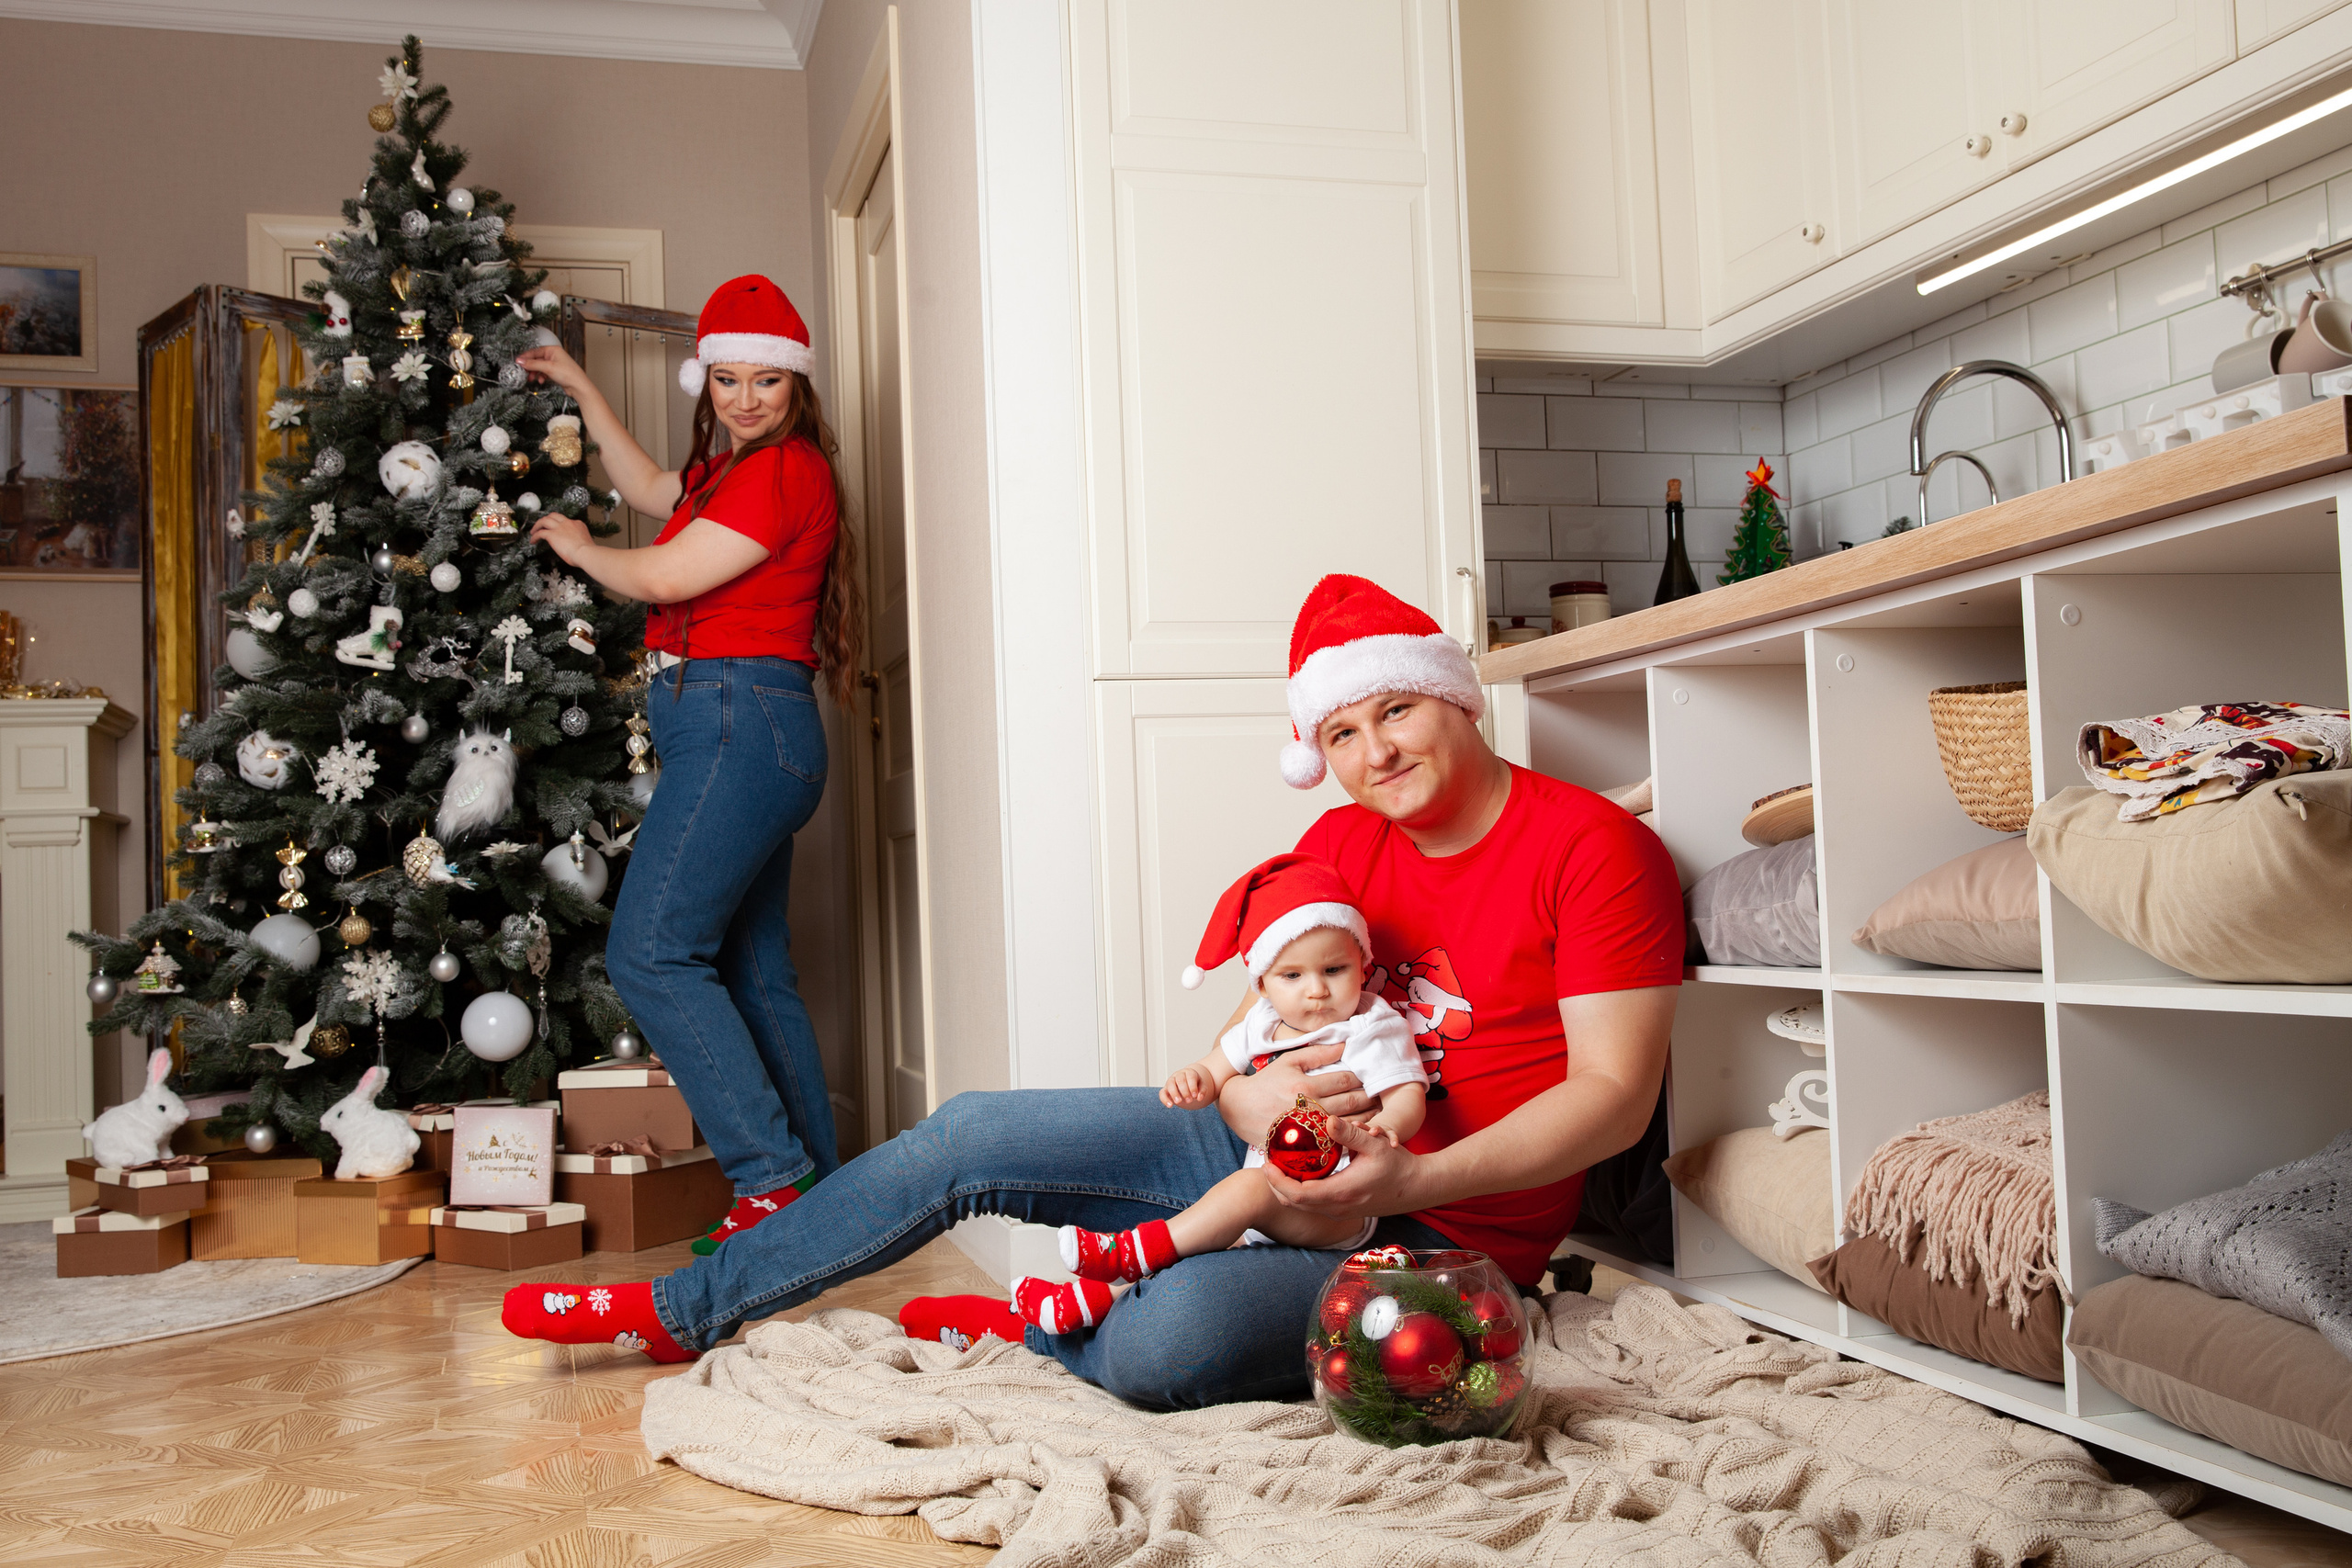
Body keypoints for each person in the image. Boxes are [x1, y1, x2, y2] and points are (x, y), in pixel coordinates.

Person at [501, 573, 1681, 1398]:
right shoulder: (1350, 840)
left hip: (1435, 1225)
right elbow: (1260, 1006)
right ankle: (680, 1313)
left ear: (1457, 697)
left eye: (1397, 711)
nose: (1374, 753)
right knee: (968, 1132)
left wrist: (1414, 1168)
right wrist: (1240, 1100)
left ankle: (1035, 1326)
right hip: (1270, 1150)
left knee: (1173, 1344)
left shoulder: (1589, 850)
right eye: (1339, 735)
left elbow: (1615, 1096)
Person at [515, 274, 863, 1258]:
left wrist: (584, 552)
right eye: (726, 382)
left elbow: (663, 572)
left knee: (652, 952)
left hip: (735, 721)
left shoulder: (787, 469)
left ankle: (771, 1181)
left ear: (797, 388)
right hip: (737, 725)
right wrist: (585, 394)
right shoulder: (728, 475)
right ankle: (824, 1207)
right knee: (753, 970)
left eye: (766, 382)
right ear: (703, 382)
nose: (746, 400)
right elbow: (651, 494)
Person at [1012, 852, 1429, 1335]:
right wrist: (1193, 1082)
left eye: (1334, 969)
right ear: (1264, 985)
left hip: (1338, 1210)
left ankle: (1127, 1249)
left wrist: (1387, 1128)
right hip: (1270, 1196)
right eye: (1292, 976)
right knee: (1200, 1245)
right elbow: (1215, 1072)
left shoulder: (1370, 1027)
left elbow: (1407, 1094)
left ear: (1363, 964)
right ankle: (1089, 1299)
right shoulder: (1262, 1024)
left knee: (1244, 1192)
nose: (1316, 990)